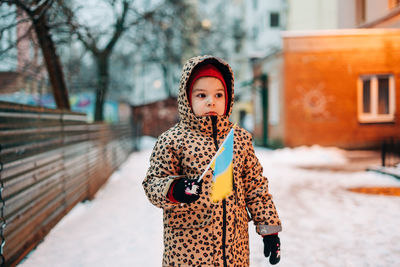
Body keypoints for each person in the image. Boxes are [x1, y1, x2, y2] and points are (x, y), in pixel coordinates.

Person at [143, 55, 282, 266]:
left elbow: (256, 188)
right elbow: (153, 184)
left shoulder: (239, 139)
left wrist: (269, 230)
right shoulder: (173, 141)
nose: (211, 101)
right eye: (201, 95)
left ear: (229, 98)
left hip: (234, 253)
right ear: (186, 99)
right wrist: (176, 189)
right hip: (188, 253)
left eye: (219, 94)